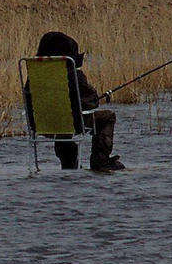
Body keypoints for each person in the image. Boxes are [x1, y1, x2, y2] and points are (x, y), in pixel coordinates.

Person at [35, 31, 124, 172]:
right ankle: (100, 161)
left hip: (42, 123)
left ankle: (69, 163)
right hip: (71, 122)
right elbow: (90, 103)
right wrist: (94, 98)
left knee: (62, 123)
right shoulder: (74, 75)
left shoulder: (35, 75)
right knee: (108, 117)